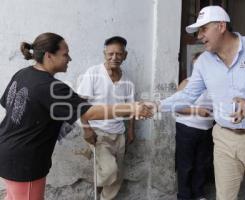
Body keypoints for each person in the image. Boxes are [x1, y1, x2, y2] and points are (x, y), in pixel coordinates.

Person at [159, 6, 245, 200]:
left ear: (221, 26)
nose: (199, 36)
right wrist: (157, 105)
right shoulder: (204, 61)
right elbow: (187, 95)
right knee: (224, 196)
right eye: (198, 31)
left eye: (203, 29)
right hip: (223, 139)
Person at [0, 32, 152, 200]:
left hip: (8, 150)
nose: (69, 59)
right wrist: (132, 108)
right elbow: (90, 112)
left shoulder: (23, 73)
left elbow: (8, 104)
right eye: (65, 54)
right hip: (25, 161)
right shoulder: (52, 88)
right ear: (49, 56)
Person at [77, 36, 135, 200]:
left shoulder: (128, 80)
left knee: (118, 177)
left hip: (119, 133)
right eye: (110, 54)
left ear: (125, 55)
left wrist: (131, 131)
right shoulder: (93, 73)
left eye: (118, 54)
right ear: (104, 53)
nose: (114, 58)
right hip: (99, 132)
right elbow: (81, 103)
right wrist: (87, 129)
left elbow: (131, 109)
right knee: (110, 171)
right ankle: (93, 169)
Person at [175, 53, 214, 200]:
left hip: (207, 129)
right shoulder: (187, 83)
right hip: (187, 129)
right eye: (196, 65)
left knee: (202, 164)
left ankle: (198, 194)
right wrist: (197, 111)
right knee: (186, 165)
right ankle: (184, 196)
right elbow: (176, 107)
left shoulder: (213, 85)